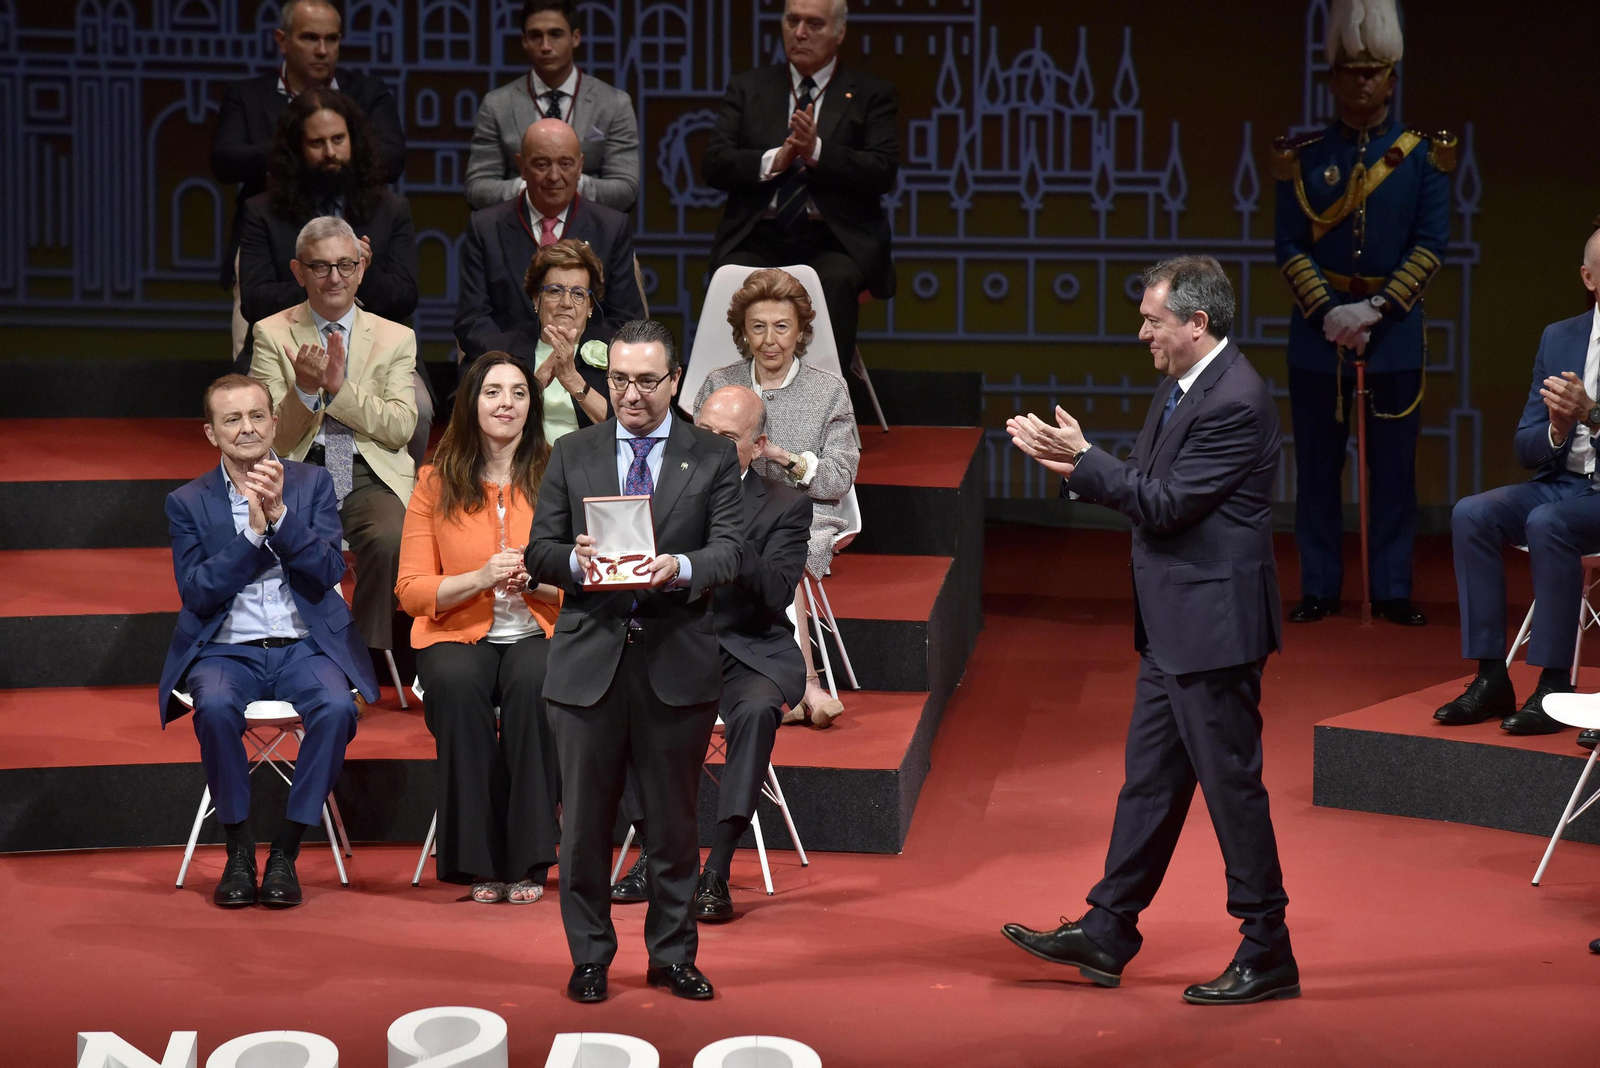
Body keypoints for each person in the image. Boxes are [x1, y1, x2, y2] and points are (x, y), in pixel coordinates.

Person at [1001, 256, 1298, 1005]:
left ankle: (1269, 950)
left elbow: (1165, 507)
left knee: (1231, 791)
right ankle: (1108, 930)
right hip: (1174, 626)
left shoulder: (1237, 400)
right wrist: (1077, 465)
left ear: (1198, 324)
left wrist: (1084, 462)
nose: (1142, 334)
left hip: (1215, 629)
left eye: (1153, 322)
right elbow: (1149, 481)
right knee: (1152, 784)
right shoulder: (1183, 384)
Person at [525, 319, 743, 1004]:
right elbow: (539, 552)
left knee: (674, 828)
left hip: (675, 663)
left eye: (648, 380)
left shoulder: (710, 456)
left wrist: (677, 565)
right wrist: (575, 562)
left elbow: (731, 551)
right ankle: (590, 957)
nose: (632, 393)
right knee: (585, 831)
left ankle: (672, 955)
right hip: (589, 664)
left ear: (674, 380)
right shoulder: (572, 451)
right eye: (620, 379)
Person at [157, 374, 378, 909]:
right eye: (231, 419)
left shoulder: (312, 485)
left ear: (275, 422)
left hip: (304, 645)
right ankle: (237, 849)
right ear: (211, 433)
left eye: (256, 415)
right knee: (212, 707)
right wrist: (253, 537)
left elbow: (328, 569)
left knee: (334, 708)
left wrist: (278, 517)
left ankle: (285, 849)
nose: (246, 428)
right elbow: (197, 593)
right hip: (227, 649)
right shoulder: (187, 502)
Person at [1272, 0, 1454, 627]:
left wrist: (1375, 308)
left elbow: (1432, 244)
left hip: (1393, 333)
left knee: (1393, 468)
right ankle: (1320, 585)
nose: (1361, 83)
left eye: (1372, 72)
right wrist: (1327, 310)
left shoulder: (1423, 158)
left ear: (1392, 80)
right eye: (1350, 72)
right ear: (1333, 79)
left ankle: (1393, 586)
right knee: (1318, 467)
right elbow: (1289, 245)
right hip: (1318, 333)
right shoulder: (1303, 156)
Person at [396, 353, 564, 905]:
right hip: (456, 632)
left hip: (539, 630)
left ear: (531, 406)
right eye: (493, 392)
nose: (506, 403)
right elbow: (412, 589)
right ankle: (477, 861)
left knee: (535, 686)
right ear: (472, 404)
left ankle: (531, 859)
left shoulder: (559, 473)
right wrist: (479, 579)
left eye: (519, 392)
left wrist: (534, 584)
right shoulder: (433, 483)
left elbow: (587, 579)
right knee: (456, 684)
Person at [1434, 230, 1600, 741]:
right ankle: (1490, 676)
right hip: (1562, 482)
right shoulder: (1560, 337)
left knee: (1547, 522)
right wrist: (1556, 427)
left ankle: (1553, 686)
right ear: (1588, 278)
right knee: (1471, 512)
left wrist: (1591, 414)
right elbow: (1526, 446)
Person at [692, 268, 857, 727]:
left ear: (800, 331)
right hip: (725, 508)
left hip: (802, 510)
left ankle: (802, 681)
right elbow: (692, 458)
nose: (769, 339)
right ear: (743, 331)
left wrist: (783, 458)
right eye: (758, 326)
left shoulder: (829, 391)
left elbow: (839, 478)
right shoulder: (719, 383)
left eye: (781, 327)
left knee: (785, 551)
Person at [249, 216, 417, 664]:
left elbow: (400, 427)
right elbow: (269, 440)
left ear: (362, 268)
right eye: (320, 267)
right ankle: (292, 656)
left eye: (346, 265)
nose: (335, 278)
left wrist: (340, 391)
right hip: (298, 473)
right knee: (282, 540)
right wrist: (304, 390)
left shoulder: (396, 337)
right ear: (298, 271)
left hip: (366, 471)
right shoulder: (271, 332)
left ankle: (356, 660)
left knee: (389, 536)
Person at [236, 87, 432, 467]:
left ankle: (393, 489)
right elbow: (255, 300)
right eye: (317, 142)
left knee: (420, 409)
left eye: (338, 140)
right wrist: (324, 284)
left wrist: (359, 273)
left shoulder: (390, 209)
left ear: (354, 142)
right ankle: (275, 492)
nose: (330, 152)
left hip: (375, 349)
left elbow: (405, 297)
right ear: (296, 150)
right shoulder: (262, 212)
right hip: (290, 344)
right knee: (255, 412)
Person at [703, 0, 898, 364]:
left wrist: (817, 152)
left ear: (839, 32)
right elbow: (714, 164)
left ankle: (823, 403)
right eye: (792, 21)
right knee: (731, 274)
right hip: (760, 235)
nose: (800, 33)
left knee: (835, 282)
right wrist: (772, 160)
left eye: (814, 24)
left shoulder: (872, 93)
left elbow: (882, 171)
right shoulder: (749, 87)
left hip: (834, 239)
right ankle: (724, 401)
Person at [212, 0, 406, 354]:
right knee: (254, 355)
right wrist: (295, 151)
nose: (322, 50)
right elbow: (225, 160)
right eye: (310, 38)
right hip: (276, 232)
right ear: (283, 40)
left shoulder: (366, 92)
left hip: (354, 217)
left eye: (332, 39)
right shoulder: (249, 95)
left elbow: (392, 157)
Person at [691, 385, 813, 922]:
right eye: (705, 434)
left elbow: (776, 594)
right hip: (677, 644)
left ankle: (716, 868)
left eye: (728, 439)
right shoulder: (656, 491)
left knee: (758, 710)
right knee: (618, 697)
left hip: (751, 651)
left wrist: (730, 539)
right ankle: (650, 852)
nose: (713, 448)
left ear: (757, 445)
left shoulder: (786, 504)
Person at [455, 119, 646, 365]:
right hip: (503, 367)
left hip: (589, 368)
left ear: (580, 166)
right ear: (521, 167)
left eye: (565, 164)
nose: (554, 176)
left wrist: (573, 360)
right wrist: (524, 365)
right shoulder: (485, 227)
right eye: (542, 164)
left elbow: (626, 320)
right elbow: (471, 320)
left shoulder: (612, 227)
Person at [465, 0, 639, 213]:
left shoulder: (614, 103)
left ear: (575, 38)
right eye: (536, 36)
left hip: (591, 235)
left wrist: (569, 182)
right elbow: (477, 188)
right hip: (518, 229)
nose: (546, 46)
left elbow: (626, 189)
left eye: (555, 34)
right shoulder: (497, 105)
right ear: (524, 41)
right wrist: (532, 185)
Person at [517, 239, 613, 441]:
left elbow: (625, 427)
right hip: (522, 465)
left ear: (590, 307)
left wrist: (571, 378)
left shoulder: (615, 353)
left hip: (589, 466)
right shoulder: (504, 350)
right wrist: (536, 385)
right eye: (555, 290)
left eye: (578, 293)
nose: (566, 303)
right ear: (536, 299)